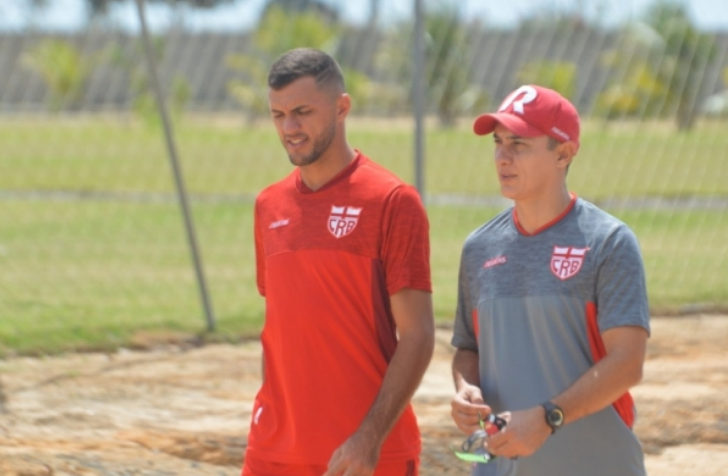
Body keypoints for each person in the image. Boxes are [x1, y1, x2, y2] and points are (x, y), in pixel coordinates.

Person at [242, 47, 435, 476]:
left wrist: (368, 438)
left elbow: (419, 335)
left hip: (363, 455)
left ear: (342, 107)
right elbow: (281, 328)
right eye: (278, 115)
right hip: (273, 451)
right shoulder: (268, 205)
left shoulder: (391, 201)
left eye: (303, 112)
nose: (289, 128)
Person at [450, 85, 650, 475]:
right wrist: (465, 388)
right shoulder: (479, 247)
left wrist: (547, 418)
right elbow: (467, 348)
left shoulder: (607, 242)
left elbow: (628, 363)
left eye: (519, 145)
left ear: (563, 153)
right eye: (498, 142)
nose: (502, 158)